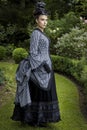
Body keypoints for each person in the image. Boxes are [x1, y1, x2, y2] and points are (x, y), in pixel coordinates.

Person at [11, 1, 61, 127]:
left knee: (46, 93)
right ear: (37, 21)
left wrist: (47, 65)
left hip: (46, 68)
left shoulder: (42, 33)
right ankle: (35, 119)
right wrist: (43, 64)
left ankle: (42, 118)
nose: (45, 22)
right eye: (42, 19)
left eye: (46, 20)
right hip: (39, 68)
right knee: (40, 94)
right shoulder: (35, 33)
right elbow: (33, 53)